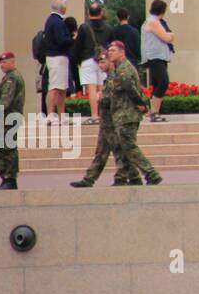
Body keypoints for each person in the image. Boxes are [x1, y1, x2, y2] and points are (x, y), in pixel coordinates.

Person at [69, 46, 140, 188]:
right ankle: (90, 178)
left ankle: (126, 177)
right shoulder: (109, 77)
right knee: (102, 151)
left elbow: (119, 97)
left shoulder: (116, 75)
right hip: (107, 121)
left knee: (119, 150)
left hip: (116, 120)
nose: (100, 65)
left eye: (103, 62)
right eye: (99, 62)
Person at [102, 40, 161, 185]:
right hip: (121, 115)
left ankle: (151, 173)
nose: (110, 53)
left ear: (122, 52)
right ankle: (132, 177)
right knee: (123, 148)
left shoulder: (124, 69)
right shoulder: (118, 69)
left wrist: (141, 104)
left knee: (129, 147)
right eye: (109, 50)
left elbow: (131, 89)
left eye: (113, 50)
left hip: (127, 115)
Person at [0, 51, 25, 190]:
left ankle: (10, 178)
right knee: (3, 147)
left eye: (4, 62)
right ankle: (7, 179)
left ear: (13, 62)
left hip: (9, 118)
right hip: (9, 117)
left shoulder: (12, 78)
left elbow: (5, 99)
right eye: (0, 62)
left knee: (7, 148)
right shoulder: (9, 77)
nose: (2, 65)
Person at [140, 0, 175, 122]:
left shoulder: (152, 21)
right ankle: (154, 112)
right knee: (163, 82)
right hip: (155, 57)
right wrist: (171, 35)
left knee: (156, 84)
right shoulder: (153, 21)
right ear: (163, 10)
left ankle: (153, 112)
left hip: (158, 56)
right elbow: (166, 37)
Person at [42, 0, 73, 122]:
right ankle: (50, 114)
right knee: (55, 86)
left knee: (62, 87)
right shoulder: (57, 22)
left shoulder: (51, 21)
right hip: (57, 57)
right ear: (62, 8)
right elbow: (62, 40)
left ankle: (61, 115)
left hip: (56, 56)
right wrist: (72, 40)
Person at [67, 14, 100, 124]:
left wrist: (76, 60)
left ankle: (95, 115)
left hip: (88, 59)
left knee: (92, 88)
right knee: (102, 88)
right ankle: (104, 113)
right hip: (102, 60)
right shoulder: (108, 27)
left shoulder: (84, 28)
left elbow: (78, 46)